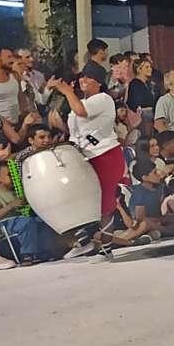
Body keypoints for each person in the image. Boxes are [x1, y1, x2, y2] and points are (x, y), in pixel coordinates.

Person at [48, 63, 122, 260]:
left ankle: (106, 247)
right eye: (82, 76)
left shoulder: (103, 99)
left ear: (99, 82)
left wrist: (67, 91)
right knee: (80, 200)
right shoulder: (81, 101)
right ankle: (84, 241)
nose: (83, 80)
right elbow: (78, 131)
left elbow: (82, 112)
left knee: (104, 203)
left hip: (105, 155)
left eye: (89, 77)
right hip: (87, 158)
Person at [0, 44, 20, 125]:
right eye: (9, 57)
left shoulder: (15, 76)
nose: (13, 60)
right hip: (0, 127)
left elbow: (22, 101)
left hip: (18, 123)